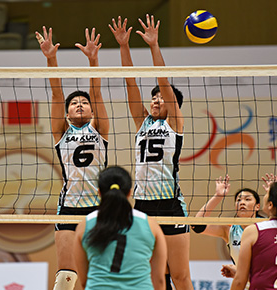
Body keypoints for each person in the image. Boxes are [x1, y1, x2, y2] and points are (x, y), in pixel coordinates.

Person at [109, 15, 191, 289]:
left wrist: (154, 45)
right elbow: (130, 83)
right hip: (142, 205)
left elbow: (165, 83)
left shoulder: (174, 124)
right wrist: (124, 46)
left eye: (161, 97)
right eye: (153, 96)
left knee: (179, 275)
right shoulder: (142, 122)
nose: (156, 99)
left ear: (173, 104)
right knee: (152, 276)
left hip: (169, 203)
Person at [36, 26, 109, 290]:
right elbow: (56, 94)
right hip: (68, 206)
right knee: (66, 274)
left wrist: (93, 60)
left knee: (99, 272)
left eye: (84, 102)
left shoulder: (100, 129)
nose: (79, 104)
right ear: (67, 113)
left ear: (91, 110)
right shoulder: (61, 132)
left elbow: (97, 93)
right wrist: (50, 59)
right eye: (74, 103)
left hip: (100, 208)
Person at [74, 166, 167, 290]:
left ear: (99, 192)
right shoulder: (150, 225)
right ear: (129, 192)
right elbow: (159, 281)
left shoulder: (85, 225)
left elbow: (84, 281)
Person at [191, 175, 262, 282]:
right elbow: (197, 226)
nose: (242, 202)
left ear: (257, 206)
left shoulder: (267, 227)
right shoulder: (229, 230)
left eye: (247, 199)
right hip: (243, 285)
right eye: (239, 200)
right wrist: (218, 196)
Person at [230, 174, 277, 290]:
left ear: (270, 205)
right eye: (239, 200)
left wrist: (240, 271)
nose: (242, 202)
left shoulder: (254, 230)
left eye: (267, 195)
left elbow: (240, 281)